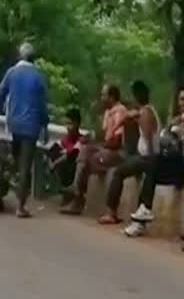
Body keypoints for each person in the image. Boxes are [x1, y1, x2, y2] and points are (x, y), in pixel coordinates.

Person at [0, 42, 49, 218]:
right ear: (34, 58)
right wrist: (44, 125)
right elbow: (42, 105)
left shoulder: (12, 72)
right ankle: (20, 207)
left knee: (17, 160)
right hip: (31, 126)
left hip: (14, 123)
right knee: (25, 166)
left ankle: (14, 180)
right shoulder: (38, 77)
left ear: (20, 56)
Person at [124, 86, 184, 245]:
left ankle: (143, 211)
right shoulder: (177, 120)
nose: (181, 104)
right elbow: (164, 137)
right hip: (172, 163)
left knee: (153, 162)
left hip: (180, 164)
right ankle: (142, 216)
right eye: (180, 100)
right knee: (152, 165)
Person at [98, 81, 160, 224]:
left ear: (136, 97)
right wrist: (115, 128)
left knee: (118, 172)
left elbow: (149, 141)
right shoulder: (147, 110)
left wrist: (149, 165)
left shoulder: (145, 115)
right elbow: (128, 116)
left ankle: (111, 212)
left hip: (147, 158)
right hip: (145, 156)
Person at [61, 84, 128, 215]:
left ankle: (77, 197)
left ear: (112, 97)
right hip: (106, 147)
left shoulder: (120, 112)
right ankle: (76, 189)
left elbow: (117, 141)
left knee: (89, 161)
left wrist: (100, 145)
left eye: (104, 95)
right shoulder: (108, 112)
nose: (102, 98)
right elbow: (103, 136)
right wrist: (92, 141)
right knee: (84, 151)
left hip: (117, 152)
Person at [46, 108, 85, 205]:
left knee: (67, 160)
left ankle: (73, 195)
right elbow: (52, 150)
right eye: (67, 124)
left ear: (77, 124)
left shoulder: (82, 139)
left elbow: (72, 154)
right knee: (54, 153)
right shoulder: (66, 139)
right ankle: (64, 191)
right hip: (66, 168)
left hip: (76, 168)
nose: (68, 127)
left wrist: (54, 164)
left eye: (70, 124)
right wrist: (50, 162)